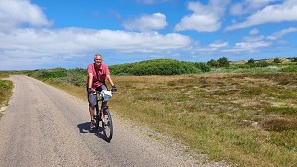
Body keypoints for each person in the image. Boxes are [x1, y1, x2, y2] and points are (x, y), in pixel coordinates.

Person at [86, 54, 117, 129]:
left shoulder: (105, 66)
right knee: (92, 103)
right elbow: (90, 76)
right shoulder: (90, 66)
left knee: (106, 94)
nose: (98, 61)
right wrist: (90, 89)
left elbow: (108, 76)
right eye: (97, 59)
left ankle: (102, 110)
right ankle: (92, 120)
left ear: (102, 60)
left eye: (99, 59)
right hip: (92, 85)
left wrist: (113, 86)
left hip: (101, 84)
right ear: (94, 60)